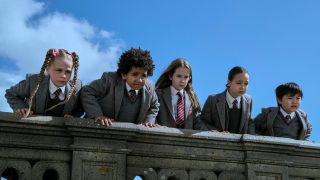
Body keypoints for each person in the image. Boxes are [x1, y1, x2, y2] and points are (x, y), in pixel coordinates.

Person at [81, 47, 159, 127]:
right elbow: (87, 91)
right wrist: (97, 115)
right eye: (135, 74)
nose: (139, 80)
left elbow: (155, 105)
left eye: (144, 75)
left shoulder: (149, 88)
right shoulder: (109, 80)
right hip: (99, 130)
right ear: (124, 74)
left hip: (128, 135)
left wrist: (148, 121)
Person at [5, 48, 82, 117]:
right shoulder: (34, 81)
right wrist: (21, 107)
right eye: (59, 70)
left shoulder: (77, 88)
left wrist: (74, 116)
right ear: (48, 69)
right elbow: (11, 93)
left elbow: (81, 107)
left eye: (68, 72)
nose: (64, 76)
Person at [201, 66, 254, 134]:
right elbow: (203, 122)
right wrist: (215, 132)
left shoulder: (249, 100)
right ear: (229, 82)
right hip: (217, 142)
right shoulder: (212, 100)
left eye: (246, 83)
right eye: (239, 83)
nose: (243, 87)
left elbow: (249, 123)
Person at [155, 58, 204, 129]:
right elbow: (151, 115)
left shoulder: (192, 98)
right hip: (162, 137)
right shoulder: (158, 94)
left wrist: (209, 130)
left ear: (189, 78)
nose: (182, 80)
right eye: (179, 76)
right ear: (170, 76)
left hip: (185, 139)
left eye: (186, 77)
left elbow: (198, 122)